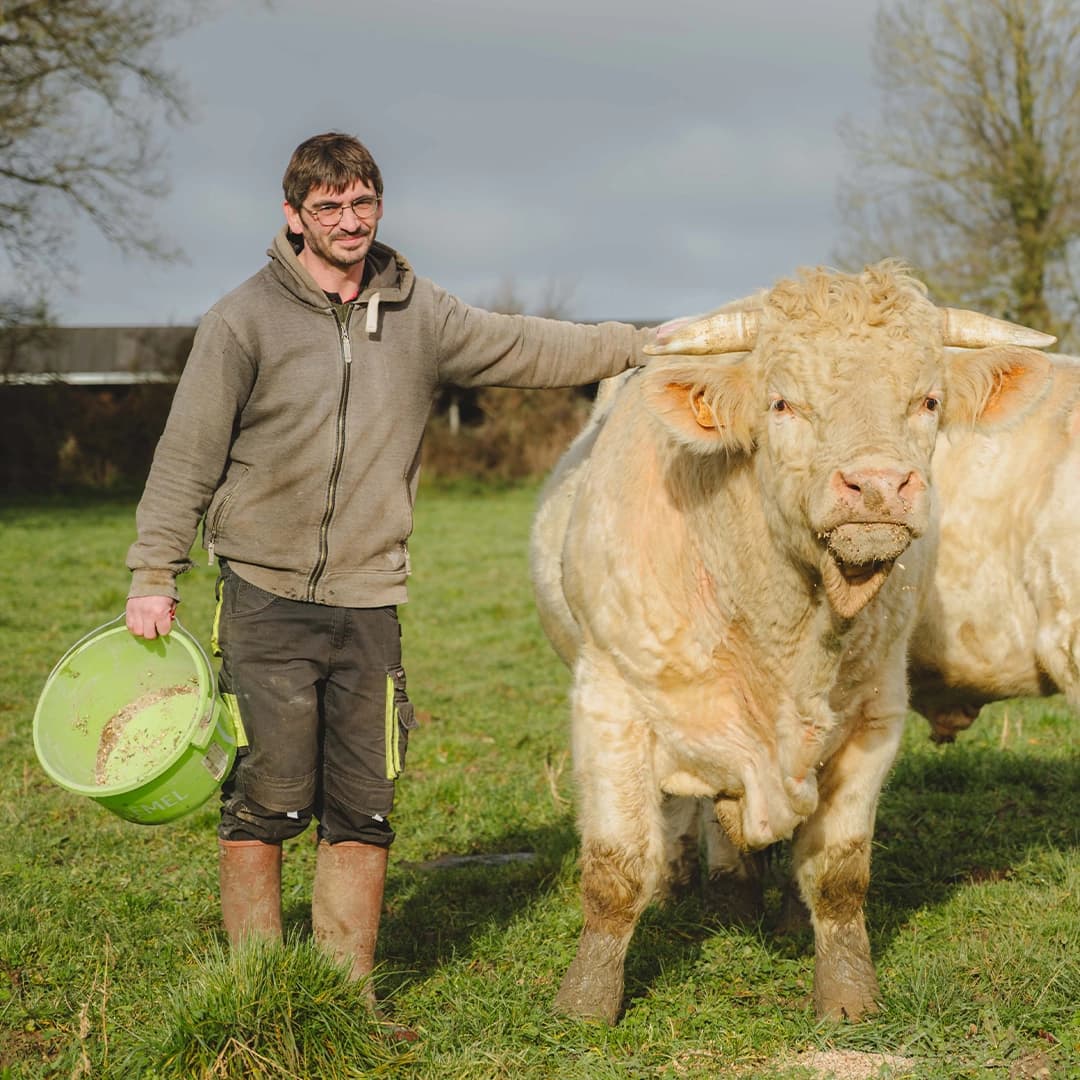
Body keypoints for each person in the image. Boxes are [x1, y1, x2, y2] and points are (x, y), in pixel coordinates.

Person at [124, 132, 656, 1023]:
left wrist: (637, 346)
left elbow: (525, 346)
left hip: (370, 600)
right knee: (267, 796)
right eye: (327, 207)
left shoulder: (419, 312)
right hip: (263, 593)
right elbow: (186, 459)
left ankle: (345, 997)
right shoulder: (241, 321)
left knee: (363, 806)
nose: (348, 220)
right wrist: (155, 572)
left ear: (379, 205)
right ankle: (256, 994)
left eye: (361, 202)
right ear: (292, 217)